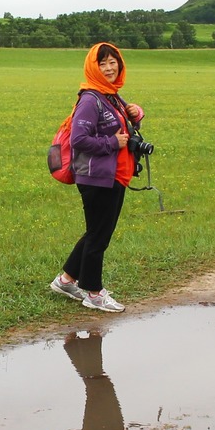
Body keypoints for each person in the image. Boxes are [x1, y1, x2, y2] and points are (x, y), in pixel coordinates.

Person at [50, 42, 144, 312]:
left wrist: (136, 114)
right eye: (102, 63)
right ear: (93, 67)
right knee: (98, 237)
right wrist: (113, 143)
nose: (109, 67)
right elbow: (80, 140)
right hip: (97, 177)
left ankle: (66, 280)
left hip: (114, 174)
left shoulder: (111, 96)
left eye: (112, 61)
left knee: (97, 232)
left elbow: (119, 126)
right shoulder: (91, 99)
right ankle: (93, 292)